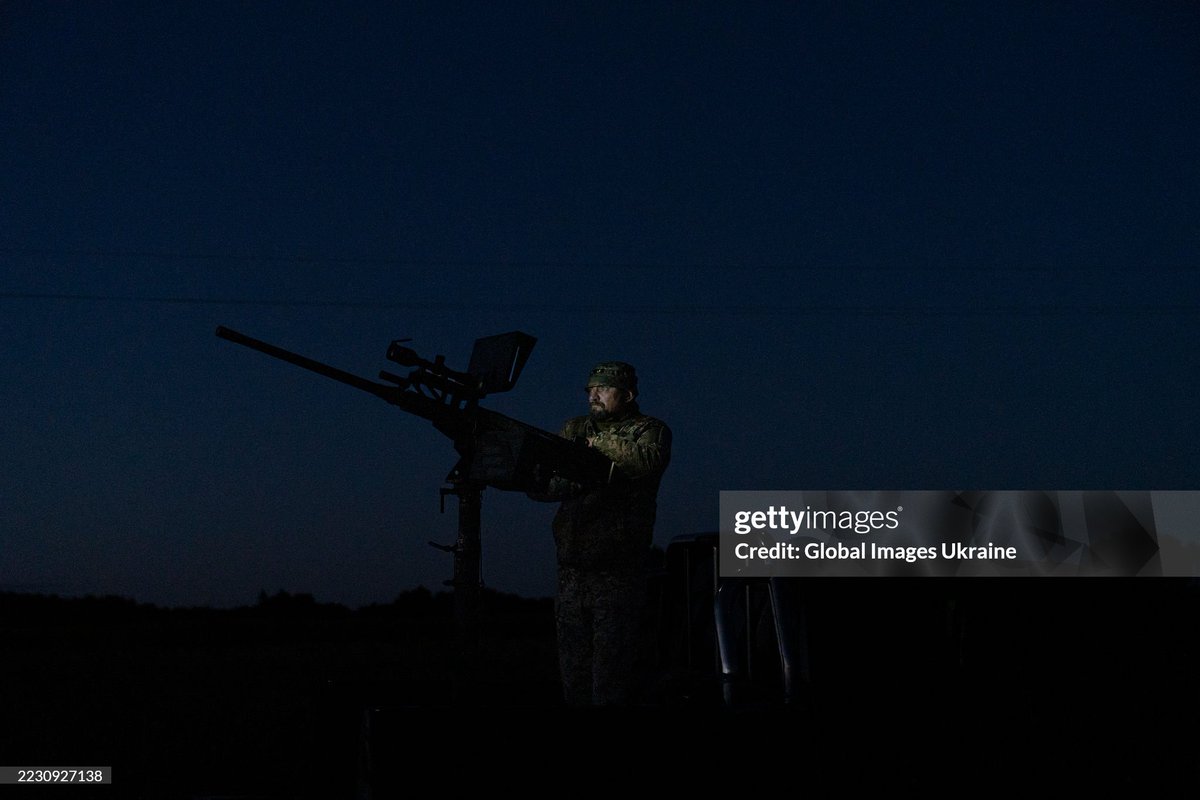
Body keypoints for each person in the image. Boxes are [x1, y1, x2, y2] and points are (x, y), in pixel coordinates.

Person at [529, 360, 672, 707]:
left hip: (618, 570)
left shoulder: (649, 429)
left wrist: (592, 445)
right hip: (572, 570)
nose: (593, 394)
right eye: (590, 388)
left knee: (612, 675)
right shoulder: (574, 427)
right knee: (573, 673)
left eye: (603, 388)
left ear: (627, 394)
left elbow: (645, 462)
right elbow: (547, 485)